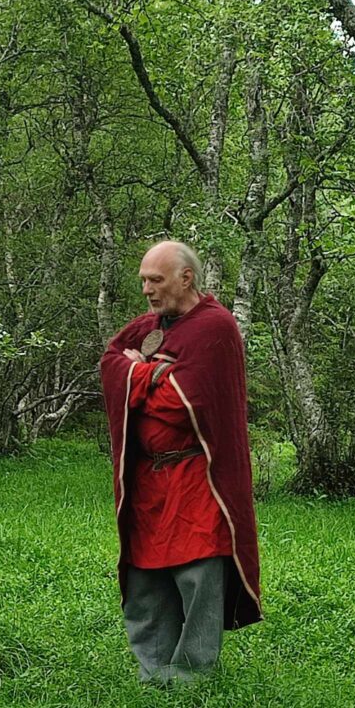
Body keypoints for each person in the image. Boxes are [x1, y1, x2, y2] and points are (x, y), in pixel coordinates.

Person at [99, 240, 261, 685]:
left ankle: (192, 678)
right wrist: (150, 372)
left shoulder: (215, 327)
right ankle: (153, 674)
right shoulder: (146, 326)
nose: (148, 290)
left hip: (196, 476)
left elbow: (184, 402)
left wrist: (141, 375)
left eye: (156, 280)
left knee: (199, 576)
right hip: (149, 479)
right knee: (146, 581)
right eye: (144, 281)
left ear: (185, 278)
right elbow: (112, 364)